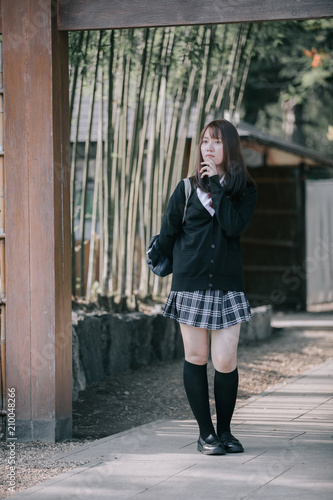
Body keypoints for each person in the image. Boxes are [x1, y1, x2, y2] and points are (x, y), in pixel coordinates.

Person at [158, 119, 257, 455]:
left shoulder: (244, 190)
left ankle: (226, 431)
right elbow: (169, 232)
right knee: (197, 357)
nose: (209, 148)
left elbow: (231, 226)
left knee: (225, 360)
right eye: (204, 142)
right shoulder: (185, 188)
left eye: (216, 142)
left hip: (228, 285)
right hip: (191, 283)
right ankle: (206, 435)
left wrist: (216, 183)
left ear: (229, 147)